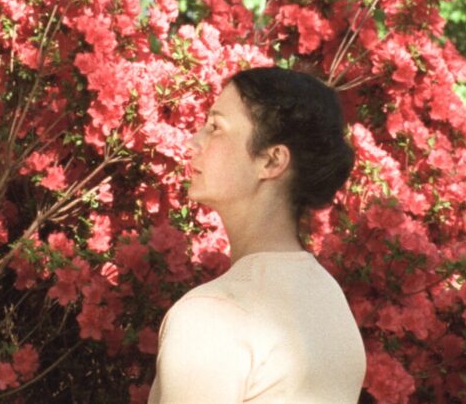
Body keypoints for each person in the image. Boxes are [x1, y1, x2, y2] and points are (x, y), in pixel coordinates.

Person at [148, 67, 366, 403]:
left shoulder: (210, 316)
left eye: (215, 127)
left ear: (271, 160)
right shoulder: (330, 301)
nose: (193, 143)